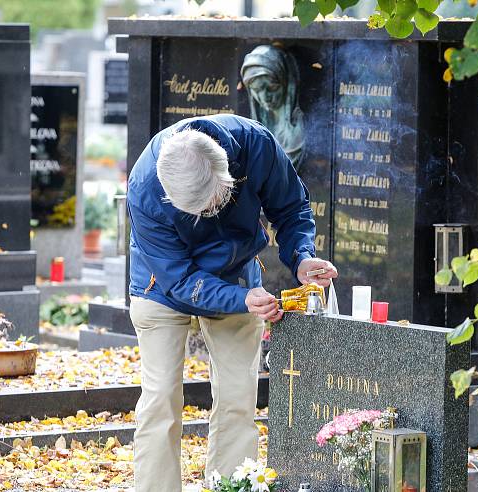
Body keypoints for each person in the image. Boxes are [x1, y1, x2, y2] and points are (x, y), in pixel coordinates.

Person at [127, 113, 337, 492]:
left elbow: (291, 208)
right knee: (160, 401)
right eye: (195, 213)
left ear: (227, 174)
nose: (205, 217)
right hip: (161, 286)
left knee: (238, 401)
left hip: (238, 274)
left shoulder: (256, 145)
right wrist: (242, 298)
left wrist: (301, 257)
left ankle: (231, 486)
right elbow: (180, 279)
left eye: (211, 206)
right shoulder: (144, 187)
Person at [241, 45, 305, 169]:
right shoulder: (252, 131)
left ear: (286, 83)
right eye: (256, 90)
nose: (265, 97)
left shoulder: (298, 130)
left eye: (272, 88)